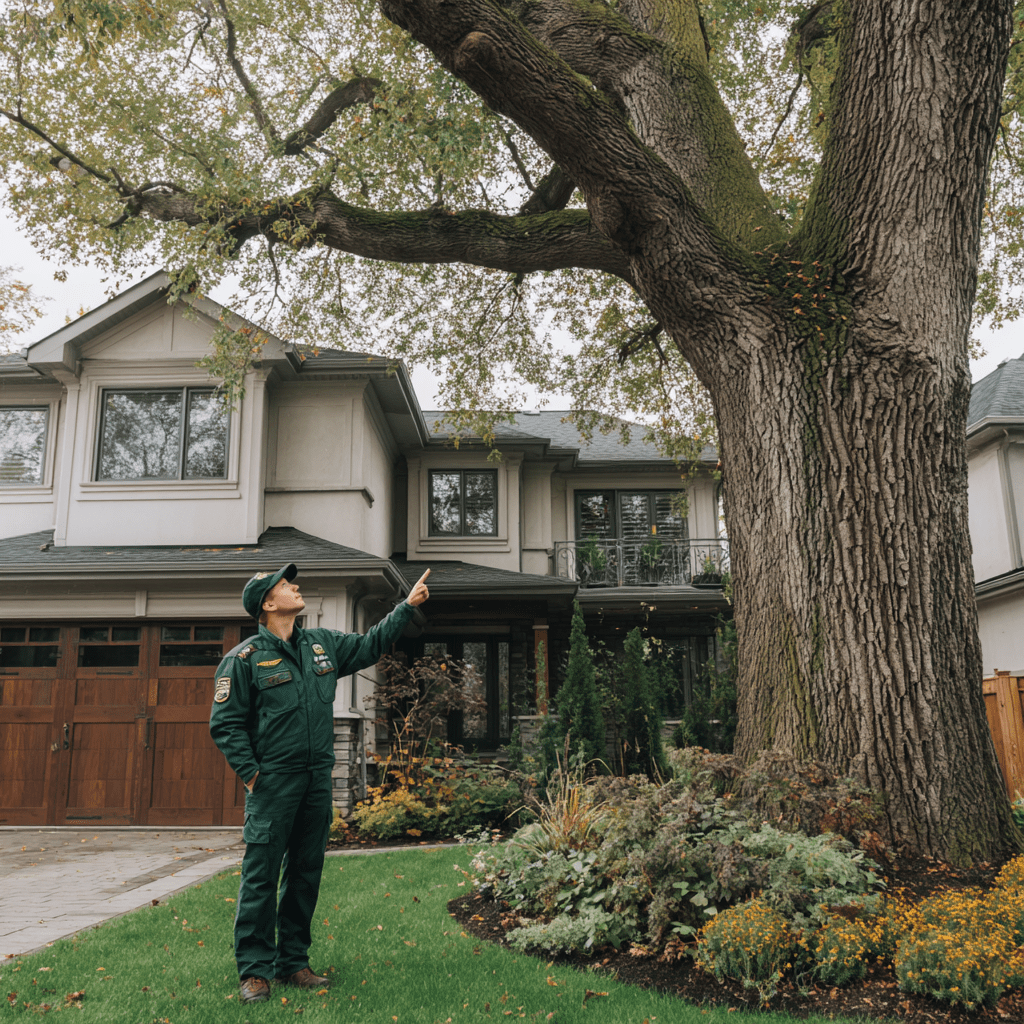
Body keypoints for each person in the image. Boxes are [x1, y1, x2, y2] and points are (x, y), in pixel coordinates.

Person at [209, 562, 431, 1004]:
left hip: (316, 780)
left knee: (305, 874)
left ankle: (293, 962)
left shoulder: (321, 645)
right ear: (268, 603)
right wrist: (254, 776)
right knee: (261, 876)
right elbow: (226, 725)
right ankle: (254, 971)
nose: (295, 586)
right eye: (285, 585)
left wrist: (404, 609)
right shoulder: (244, 660)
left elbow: (370, 645)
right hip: (273, 783)